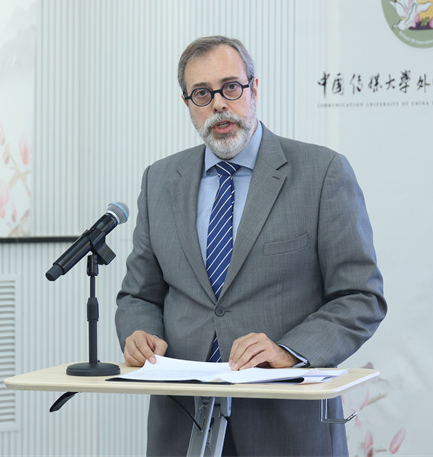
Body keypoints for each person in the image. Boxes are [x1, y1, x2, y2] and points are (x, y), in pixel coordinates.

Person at [115, 35, 386, 456]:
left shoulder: (322, 173)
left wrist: (290, 351)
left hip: (287, 426)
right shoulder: (160, 180)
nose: (219, 104)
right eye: (202, 94)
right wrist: (139, 333)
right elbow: (139, 294)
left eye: (231, 87)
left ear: (254, 89)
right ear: (187, 103)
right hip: (183, 424)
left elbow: (360, 296)